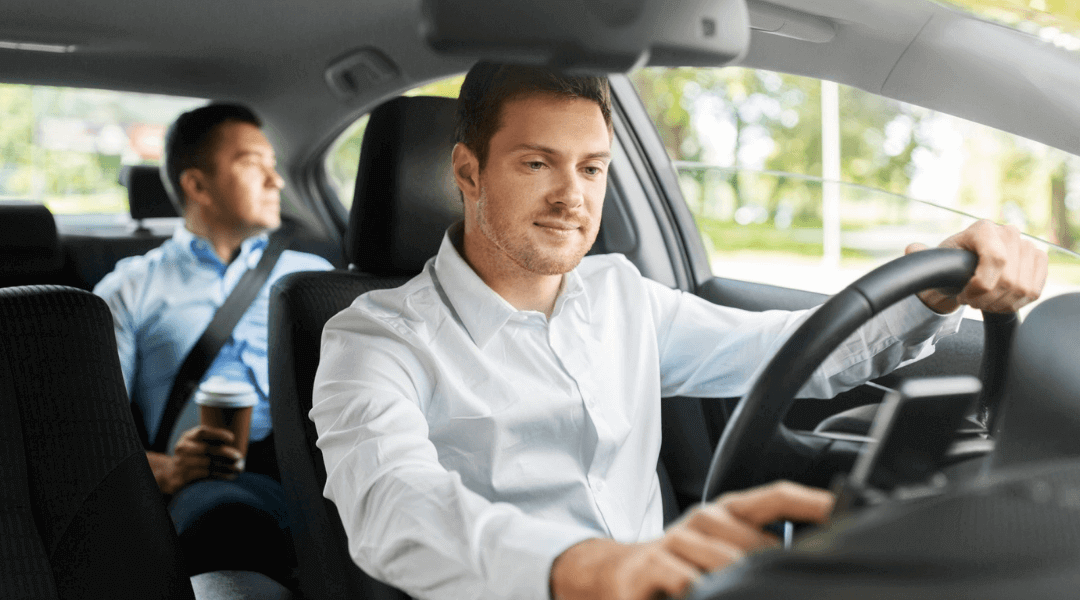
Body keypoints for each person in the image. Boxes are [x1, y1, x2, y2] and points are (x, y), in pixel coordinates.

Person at [310, 63, 1047, 600]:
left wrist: (932, 294)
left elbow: (792, 354)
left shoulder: (622, 295)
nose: (572, 197)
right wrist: (588, 568)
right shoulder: (375, 340)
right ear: (468, 172)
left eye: (592, 169)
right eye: (537, 164)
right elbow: (393, 502)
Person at [94, 103, 332, 580]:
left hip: (321, 469)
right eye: (252, 163)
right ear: (197, 186)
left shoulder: (315, 278)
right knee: (225, 520)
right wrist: (169, 471)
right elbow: (91, 436)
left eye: (273, 165)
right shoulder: (130, 289)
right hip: (211, 484)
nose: (276, 181)